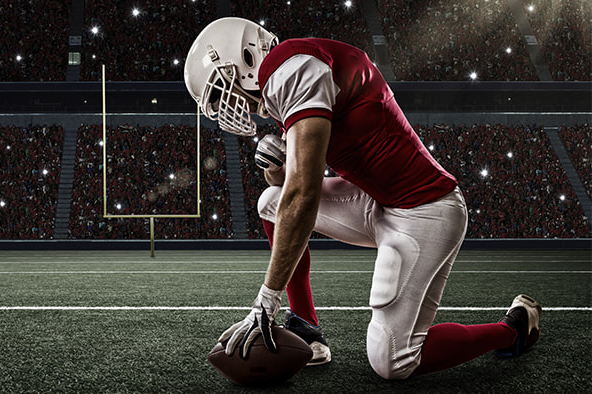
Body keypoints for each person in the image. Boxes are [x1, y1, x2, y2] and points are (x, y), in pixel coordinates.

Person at [183, 17, 542, 379]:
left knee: (393, 361)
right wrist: (274, 163)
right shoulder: (288, 85)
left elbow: (303, 194)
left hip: (426, 209)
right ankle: (306, 327)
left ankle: (512, 330)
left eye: (220, 90)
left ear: (245, 56)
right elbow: (286, 185)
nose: (224, 103)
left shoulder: (291, 65)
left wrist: (267, 298)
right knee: (269, 203)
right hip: (377, 201)